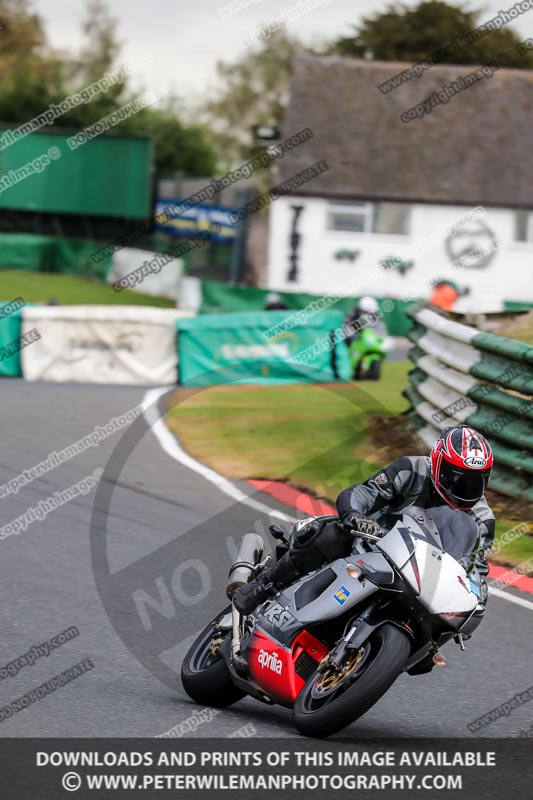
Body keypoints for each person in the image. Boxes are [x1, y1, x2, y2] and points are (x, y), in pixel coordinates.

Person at [233, 425, 495, 621]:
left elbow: (475, 572)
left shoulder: (483, 518)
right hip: (370, 545)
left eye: (475, 481)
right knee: (331, 533)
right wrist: (356, 516)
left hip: (417, 579)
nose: (464, 488)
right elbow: (362, 493)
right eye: (457, 478)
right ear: (437, 463)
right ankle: (264, 586)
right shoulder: (412, 469)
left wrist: (474, 600)